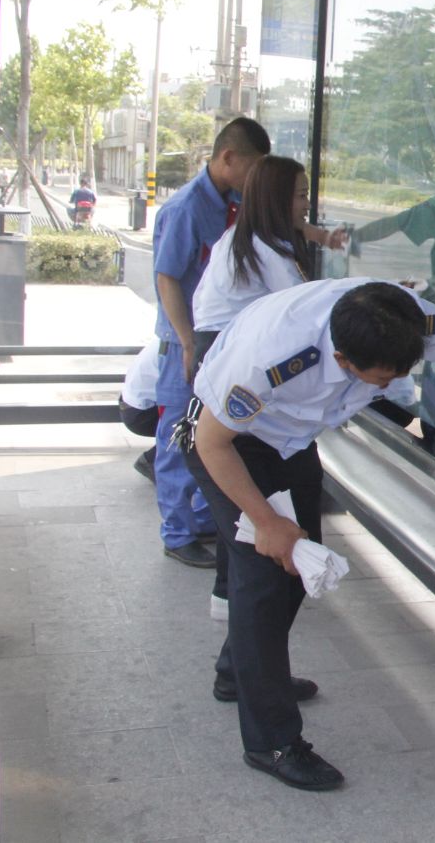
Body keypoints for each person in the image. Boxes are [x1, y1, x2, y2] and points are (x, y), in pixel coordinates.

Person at [185, 279, 435, 791]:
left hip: (292, 441)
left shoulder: (406, 320)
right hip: (231, 444)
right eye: (382, 378)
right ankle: (272, 741)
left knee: (298, 572)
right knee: (265, 581)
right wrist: (266, 523)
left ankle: (243, 671)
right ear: (341, 359)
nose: (389, 386)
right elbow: (212, 443)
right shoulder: (271, 358)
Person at [191, 154, 314, 618]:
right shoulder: (270, 252)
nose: (306, 205)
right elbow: (307, 314)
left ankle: (228, 598)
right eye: (300, 195)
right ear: (278, 200)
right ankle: (241, 615)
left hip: (219, 358)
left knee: (238, 507)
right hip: (236, 372)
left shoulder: (244, 240)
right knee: (250, 497)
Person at [152, 117, 271, 567]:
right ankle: (177, 532)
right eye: (253, 168)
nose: (255, 179)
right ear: (228, 158)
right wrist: (186, 342)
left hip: (217, 344)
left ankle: (203, 519)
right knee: (179, 435)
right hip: (184, 343)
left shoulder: (234, 202)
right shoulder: (186, 208)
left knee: (212, 431)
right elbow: (167, 278)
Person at [118, 342, 161, 484]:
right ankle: (153, 459)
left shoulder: (173, 337)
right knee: (196, 419)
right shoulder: (182, 343)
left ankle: (157, 458)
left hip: (134, 406)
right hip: (141, 413)